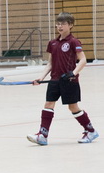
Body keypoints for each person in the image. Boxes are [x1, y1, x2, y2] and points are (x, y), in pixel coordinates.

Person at [27, 12, 98, 145]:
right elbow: (50, 63)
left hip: (69, 81)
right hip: (54, 80)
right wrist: (41, 77)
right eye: (58, 24)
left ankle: (91, 131)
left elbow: (83, 60)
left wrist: (73, 73)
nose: (59, 26)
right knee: (48, 104)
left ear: (70, 25)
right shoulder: (52, 43)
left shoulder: (73, 41)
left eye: (63, 24)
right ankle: (42, 135)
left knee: (73, 107)